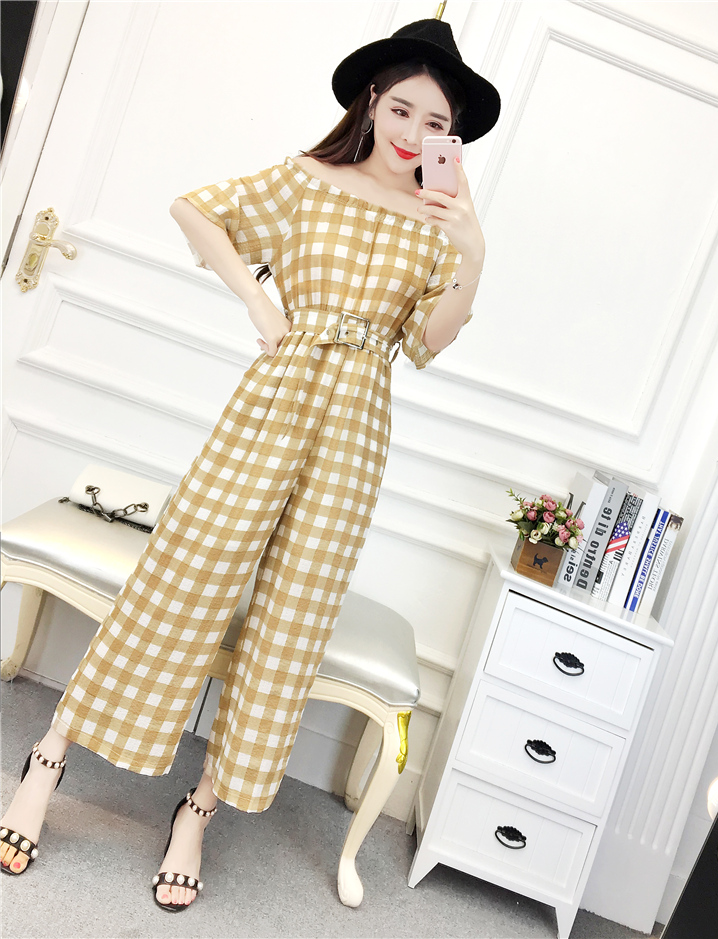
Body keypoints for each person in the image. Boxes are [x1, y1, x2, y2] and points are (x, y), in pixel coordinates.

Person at [0, 18, 500, 911]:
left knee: (289, 619)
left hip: (355, 431)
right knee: (180, 579)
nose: (413, 131)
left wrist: (473, 252)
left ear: (450, 137)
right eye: (401, 108)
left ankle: (199, 806)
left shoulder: (442, 226)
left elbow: (430, 339)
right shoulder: (307, 181)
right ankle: (51, 754)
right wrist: (259, 302)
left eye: (435, 122)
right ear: (371, 103)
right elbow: (195, 208)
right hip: (271, 406)